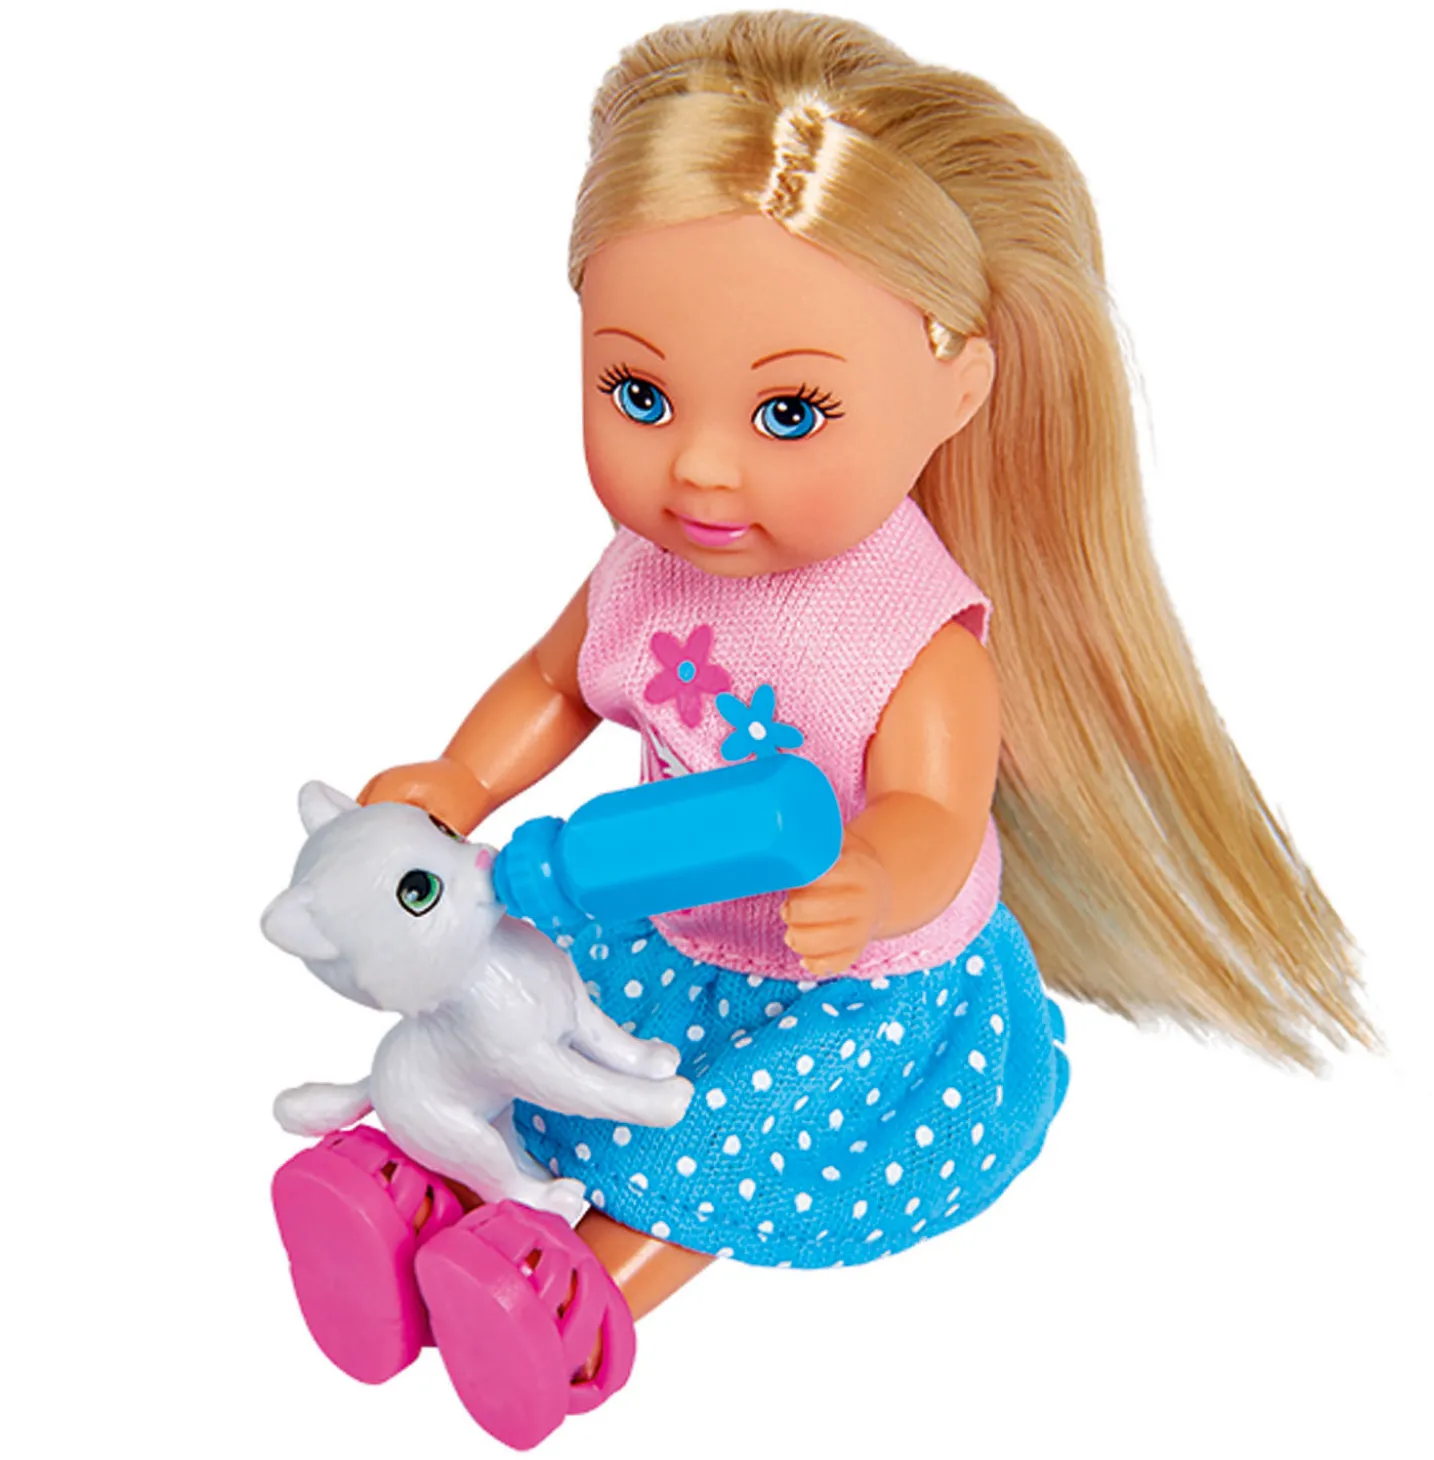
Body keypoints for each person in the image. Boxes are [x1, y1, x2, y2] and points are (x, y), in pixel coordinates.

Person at [269, 11, 1371, 1448]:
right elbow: (554, 680)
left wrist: (874, 879)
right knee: (510, 1005)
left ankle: (569, 1297)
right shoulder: (644, 571)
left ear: (957, 389)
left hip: (858, 986)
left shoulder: (914, 636)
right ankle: (409, 1189)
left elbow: (934, 816)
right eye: (639, 394)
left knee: (711, 1132)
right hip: (669, 927)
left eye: (789, 411)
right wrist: (464, 775)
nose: (701, 467)